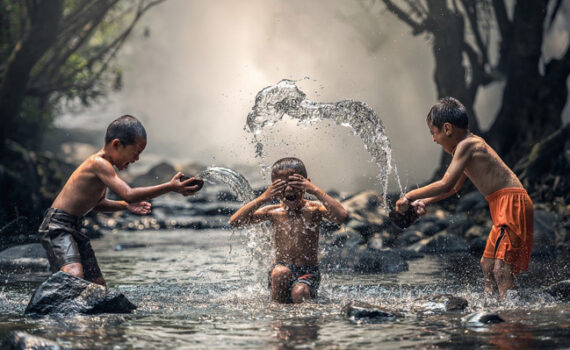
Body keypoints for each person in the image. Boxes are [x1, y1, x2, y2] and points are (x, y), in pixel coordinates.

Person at [395, 97, 534, 299]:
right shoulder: (465, 148)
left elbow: (445, 183)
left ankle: (513, 318)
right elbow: (453, 188)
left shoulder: (468, 145)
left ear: (447, 129)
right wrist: (425, 201)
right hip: (503, 204)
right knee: (487, 265)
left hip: (512, 204)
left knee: (501, 269)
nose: (434, 139)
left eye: (434, 133)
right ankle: (492, 309)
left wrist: (407, 196)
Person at [38, 115, 202, 286]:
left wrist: (125, 206)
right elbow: (129, 194)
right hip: (57, 225)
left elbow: (98, 203)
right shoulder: (98, 163)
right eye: (136, 152)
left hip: (74, 227)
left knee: (97, 284)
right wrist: (170, 187)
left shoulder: (105, 169)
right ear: (117, 144)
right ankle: (46, 304)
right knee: (74, 273)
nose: (136, 159)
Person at [230, 157, 348, 303]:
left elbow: (341, 216)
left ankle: (304, 322)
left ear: (306, 183)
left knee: (300, 292)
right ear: (273, 188)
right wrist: (263, 198)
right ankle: (277, 316)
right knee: (281, 273)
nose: (289, 189)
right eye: (281, 185)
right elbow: (235, 221)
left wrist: (316, 190)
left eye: (294, 183)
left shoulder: (314, 209)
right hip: (278, 272)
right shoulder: (273, 211)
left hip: (308, 272)